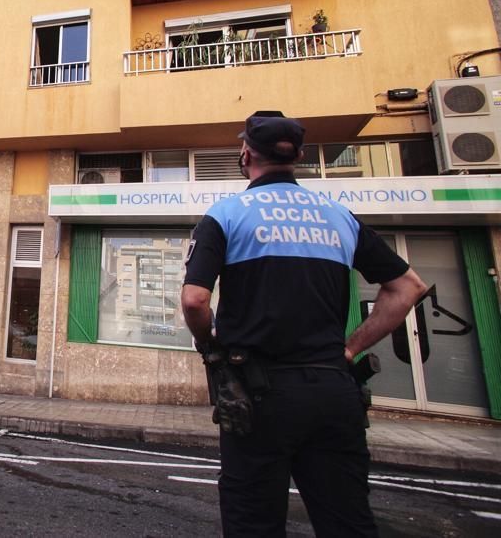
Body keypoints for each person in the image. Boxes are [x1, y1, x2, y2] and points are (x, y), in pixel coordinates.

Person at [180, 110, 427, 537]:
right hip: (334, 391)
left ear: (246, 154)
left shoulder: (228, 214)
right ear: (298, 156)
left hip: (258, 397)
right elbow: (408, 288)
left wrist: (210, 346)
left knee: (253, 523)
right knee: (347, 522)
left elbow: (195, 298)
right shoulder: (339, 215)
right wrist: (350, 349)